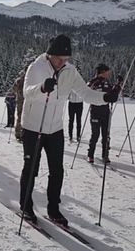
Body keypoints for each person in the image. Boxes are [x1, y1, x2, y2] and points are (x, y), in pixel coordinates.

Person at [19, 34, 116, 226]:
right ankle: (25, 206)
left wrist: (104, 98)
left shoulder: (70, 71)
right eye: (59, 59)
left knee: (57, 170)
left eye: (66, 59)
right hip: (33, 127)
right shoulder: (36, 67)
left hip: (55, 128)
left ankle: (53, 208)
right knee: (31, 169)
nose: (62, 62)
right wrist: (42, 88)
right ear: (50, 55)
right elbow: (27, 93)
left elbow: (86, 93)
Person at [86, 64, 122, 164]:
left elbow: (112, 93)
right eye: (107, 72)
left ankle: (105, 155)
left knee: (106, 135)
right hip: (95, 112)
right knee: (95, 135)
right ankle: (90, 155)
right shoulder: (93, 82)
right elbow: (87, 91)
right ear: (102, 72)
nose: (109, 74)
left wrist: (118, 84)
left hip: (105, 112)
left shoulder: (107, 83)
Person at [12, 69, 27, 142]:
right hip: (25, 101)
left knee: (19, 117)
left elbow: (13, 89)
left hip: (19, 100)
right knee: (24, 117)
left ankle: (18, 133)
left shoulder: (18, 81)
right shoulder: (28, 79)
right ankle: (21, 134)